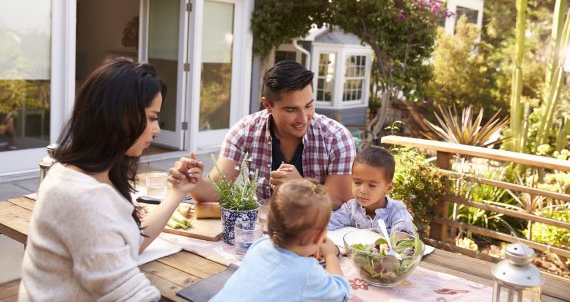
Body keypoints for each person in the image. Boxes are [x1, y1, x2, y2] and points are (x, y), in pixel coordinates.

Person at [19, 57, 199, 301]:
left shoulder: (88, 175)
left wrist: (177, 192)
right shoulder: (82, 197)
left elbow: (129, 242)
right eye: (152, 117)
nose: (156, 130)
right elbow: (131, 294)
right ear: (120, 116)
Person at [169, 60, 356, 209]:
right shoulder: (244, 132)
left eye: (308, 106)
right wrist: (192, 182)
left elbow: (341, 203)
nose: (303, 118)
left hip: (319, 240)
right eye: (291, 110)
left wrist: (303, 187)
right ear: (267, 105)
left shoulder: (336, 138)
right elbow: (215, 192)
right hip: (262, 234)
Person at [210, 179, 350, 302]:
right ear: (319, 236)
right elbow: (341, 294)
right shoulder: (308, 272)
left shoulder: (258, 245)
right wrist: (331, 256)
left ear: (269, 222)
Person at [328, 146, 416, 235]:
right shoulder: (351, 208)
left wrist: (401, 236)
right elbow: (328, 223)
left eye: (372, 185)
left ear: (388, 188)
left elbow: (404, 227)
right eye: (357, 183)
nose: (362, 190)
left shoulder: (396, 210)